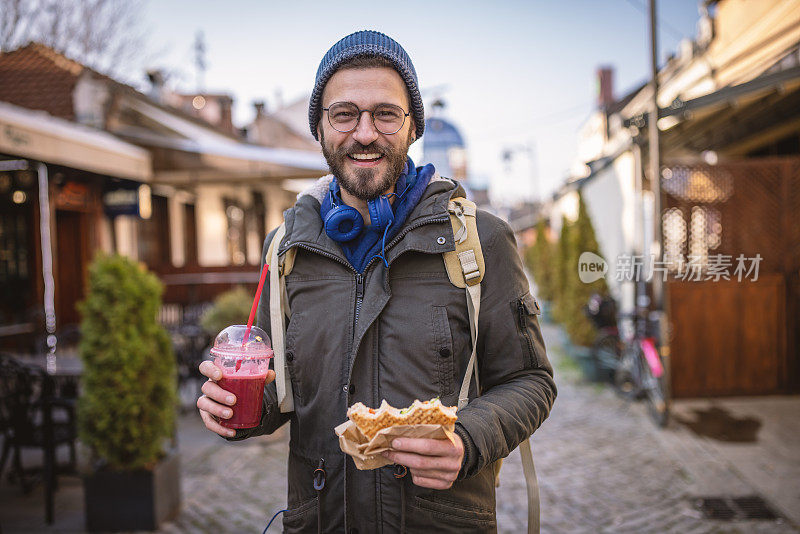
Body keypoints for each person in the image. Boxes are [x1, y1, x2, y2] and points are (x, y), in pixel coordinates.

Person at [197, 30, 557, 533]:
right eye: (344, 114)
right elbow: (281, 390)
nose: (364, 132)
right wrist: (238, 409)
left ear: (412, 128)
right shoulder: (287, 248)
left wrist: (468, 440)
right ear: (320, 128)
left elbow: (531, 380)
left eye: (385, 114)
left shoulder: (480, 241)